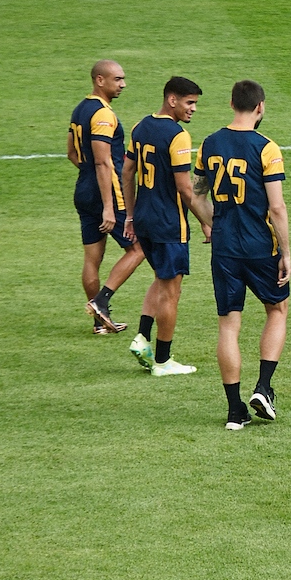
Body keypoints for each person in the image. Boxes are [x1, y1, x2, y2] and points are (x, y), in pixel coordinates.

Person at [193, 80, 291, 431]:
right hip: (260, 245)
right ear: (260, 107)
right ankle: (264, 387)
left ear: (231, 103)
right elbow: (277, 207)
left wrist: (212, 225)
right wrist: (287, 252)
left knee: (229, 324)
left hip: (224, 248)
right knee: (277, 309)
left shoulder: (209, 144)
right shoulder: (267, 148)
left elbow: (196, 196)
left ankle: (235, 411)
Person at [122, 77, 207, 377]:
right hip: (169, 223)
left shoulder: (140, 126)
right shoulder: (178, 135)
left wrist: (130, 216)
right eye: (189, 102)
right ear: (172, 100)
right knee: (172, 292)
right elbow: (186, 189)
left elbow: (127, 171)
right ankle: (163, 360)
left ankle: (142, 337)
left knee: (161, 278)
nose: (193, 109)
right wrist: (207, 223)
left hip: (144, 219)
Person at [68, 59, 145, 334]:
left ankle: (99, 323)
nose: (123, 85)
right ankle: (102, 302)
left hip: (84, 189)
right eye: (117, 79)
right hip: (107, 194)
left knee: (92, 258)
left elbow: (72, 154)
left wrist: (88, 175)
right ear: (100, 80)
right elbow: (103, 163)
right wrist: (109, 208)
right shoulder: (102, 114)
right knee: (139, 248)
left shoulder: (80, 109)